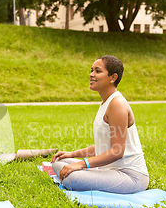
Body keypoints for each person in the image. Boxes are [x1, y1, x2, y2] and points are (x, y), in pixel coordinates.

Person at [51, 55, 149, 194]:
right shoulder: (106, 103)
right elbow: (103, 147)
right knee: (58, 162)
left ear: (113, 77)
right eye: (91, 70)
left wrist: (81, 163)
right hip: (108, 170)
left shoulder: (117, 104)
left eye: (98, 71)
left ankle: (79, 174)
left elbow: (117, 151)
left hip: (129, 176)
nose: (91, 75)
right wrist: (72, 154)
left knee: (71, 178)